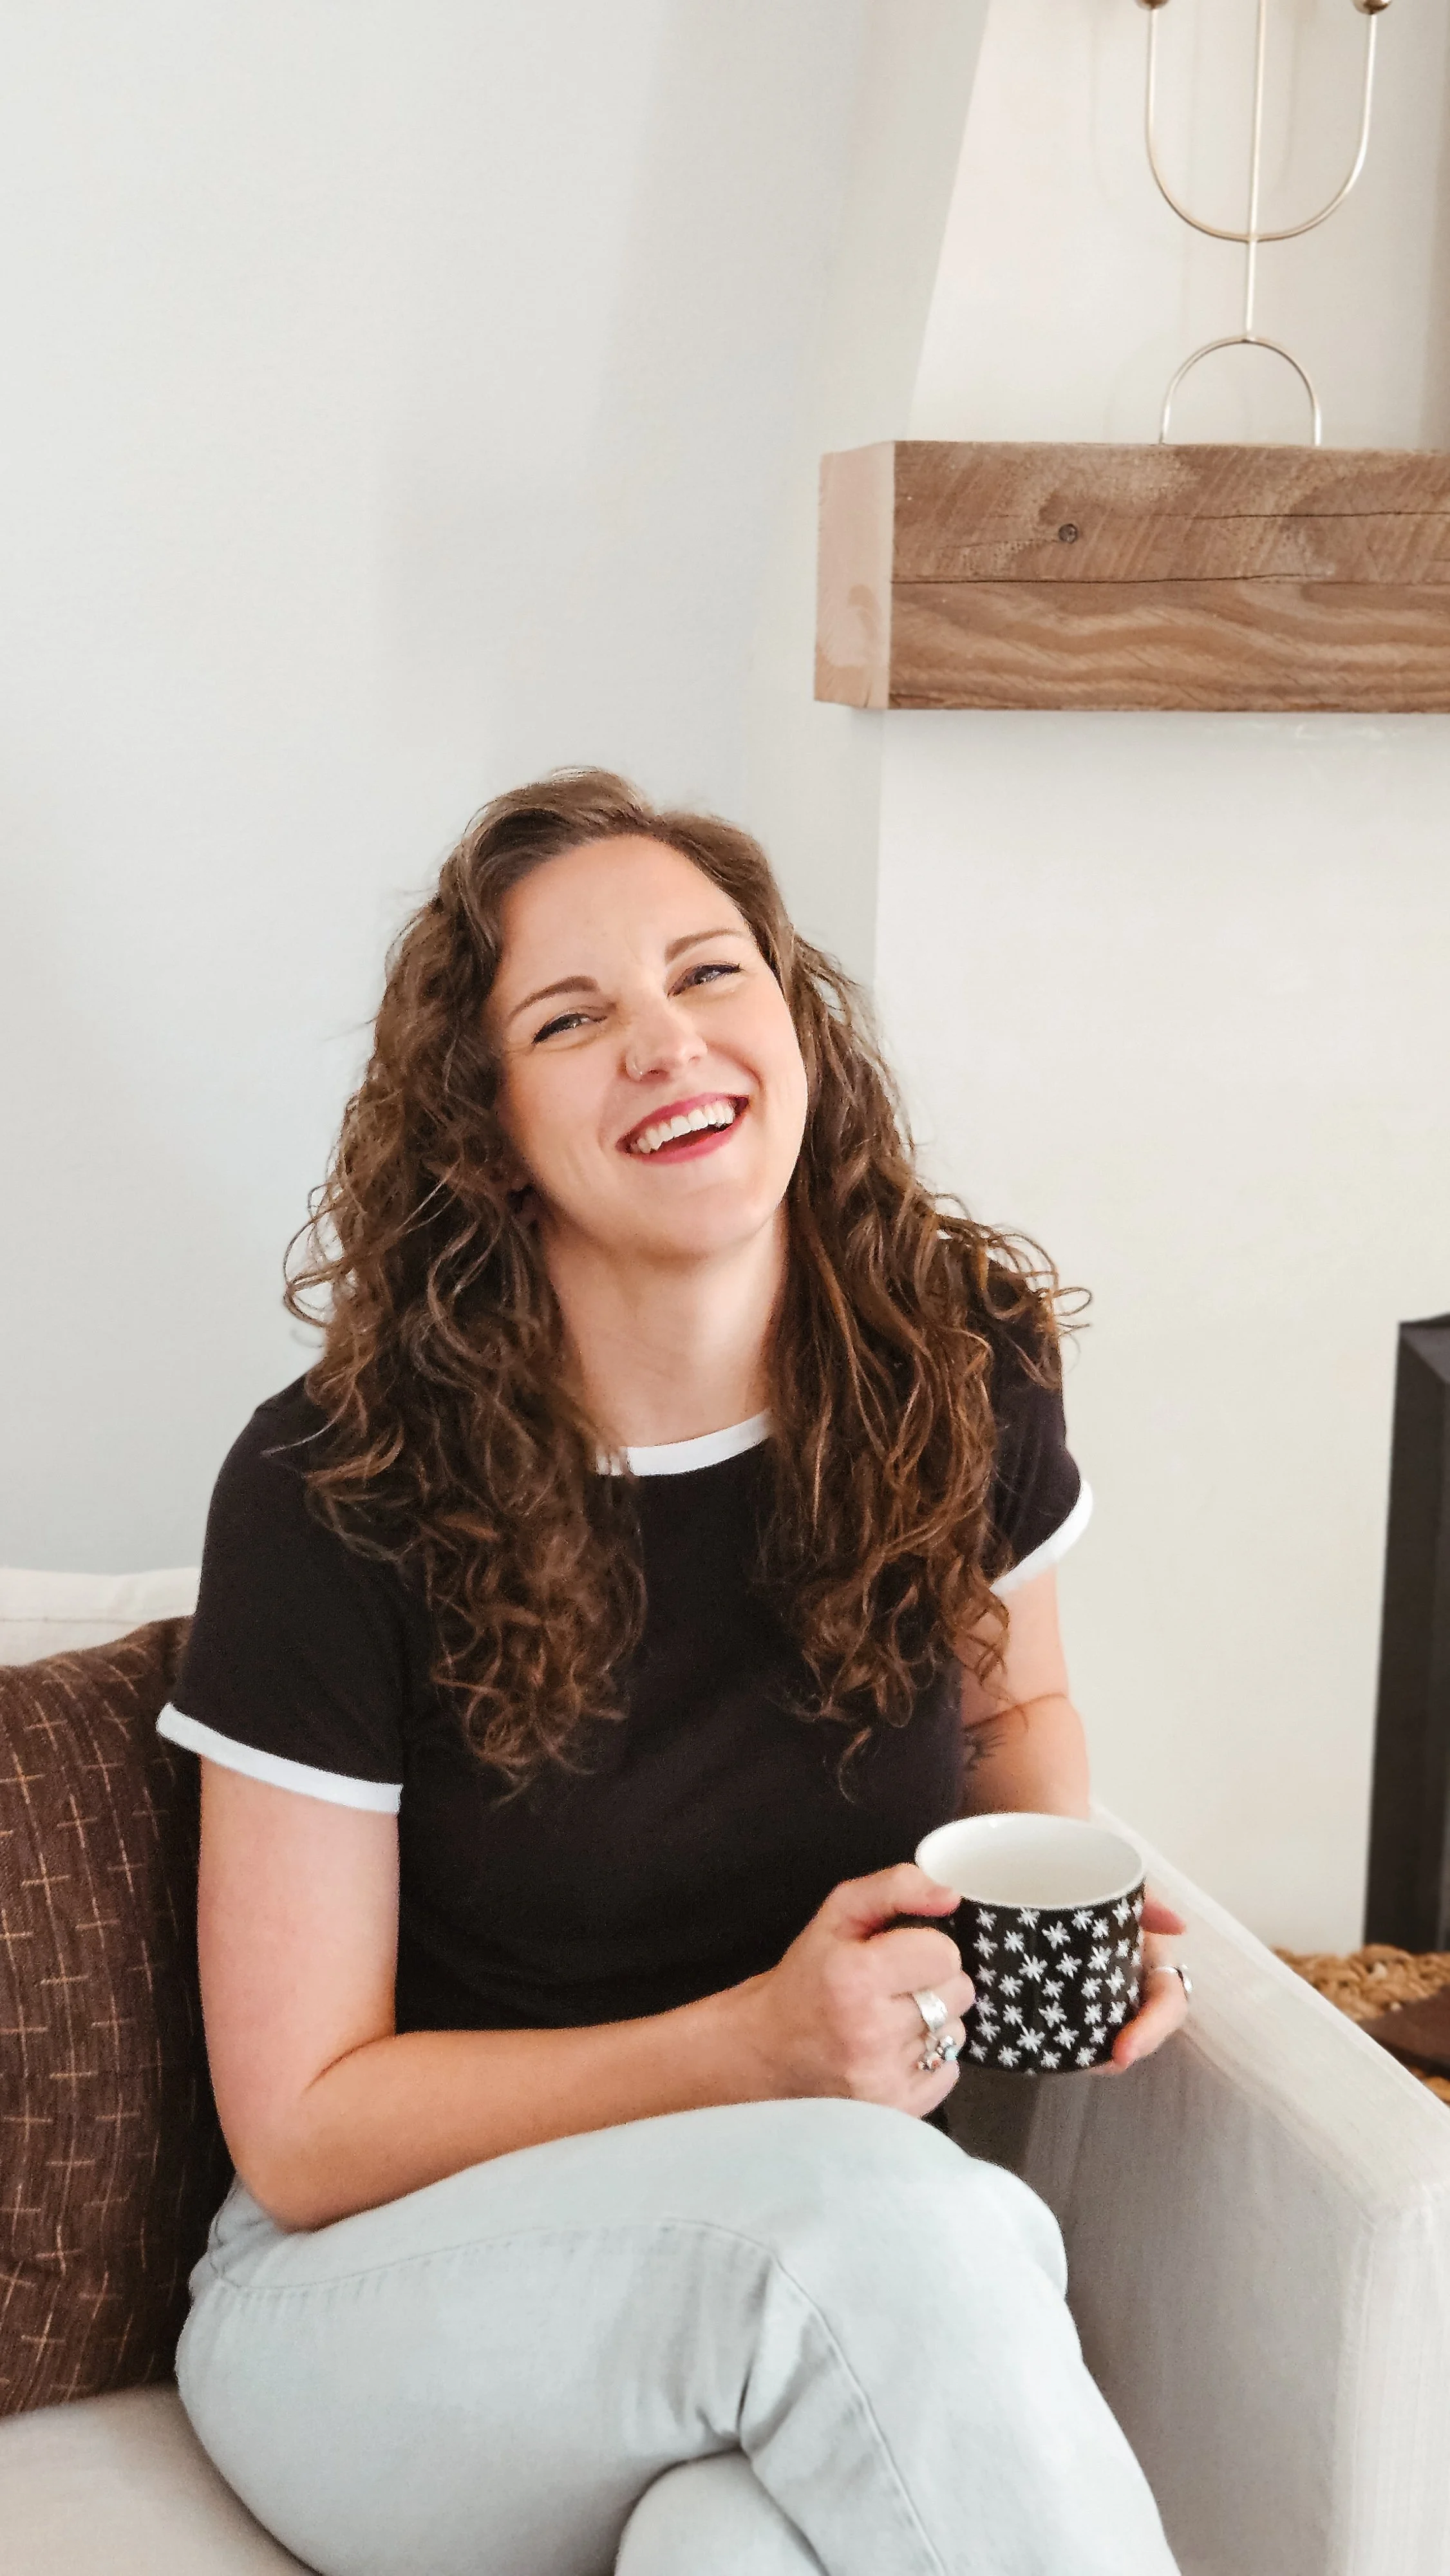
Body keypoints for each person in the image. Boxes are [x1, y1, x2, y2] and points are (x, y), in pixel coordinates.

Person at [159, 769, 1186, 2576]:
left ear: (793, 1028)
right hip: (374, 2304)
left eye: (708, 975)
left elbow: (1016, 1709)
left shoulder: (947, 1362)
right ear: (482, 1129)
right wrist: (750, 2049)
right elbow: (308, 2127)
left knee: (737, 2544)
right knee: (908, 2225)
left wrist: (1054, 1916)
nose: (664, 1040)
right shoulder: (340, 1489)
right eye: (571, 1016)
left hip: (789, 2268)